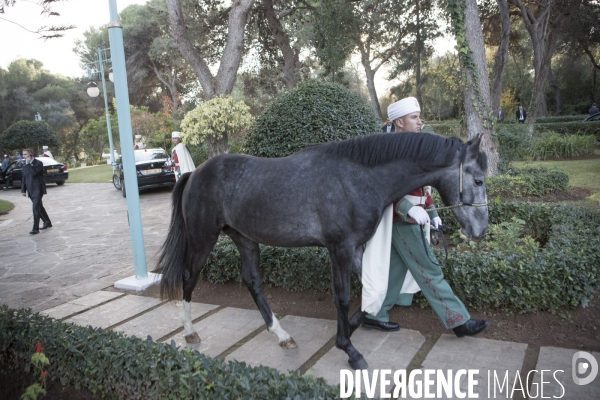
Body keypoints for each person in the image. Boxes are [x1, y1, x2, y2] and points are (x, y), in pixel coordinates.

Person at [361, 97, 489, 338]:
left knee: (397, 268)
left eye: (419, 117)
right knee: (429, 270)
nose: (420, 122)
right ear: (399, 121)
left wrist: (432, 213)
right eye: (414, 117)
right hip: (402, 221)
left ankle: (374, 315)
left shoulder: (415, 147)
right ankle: (459, 322)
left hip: (414, 220)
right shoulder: (388, 148)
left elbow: (425, 186)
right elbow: (383, 187)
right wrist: (407, 207)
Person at [21, 148, 51, 234]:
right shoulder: (25, 165)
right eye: (23, 155)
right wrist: (23, 190)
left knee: (35, 208)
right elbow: (24, 178)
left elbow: (34, 173)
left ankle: (35, 229)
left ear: (30, 155)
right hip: (30, 190)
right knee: (39, 207)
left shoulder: (38, 163)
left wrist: (29, 164)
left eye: (25, 154)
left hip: (38, 189)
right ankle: (47, 222)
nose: (24, 156)